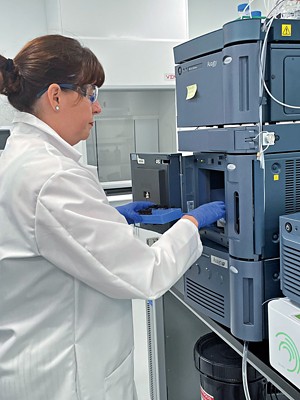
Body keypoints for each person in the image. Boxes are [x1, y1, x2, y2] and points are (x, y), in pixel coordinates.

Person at [0, 35, 225, 400]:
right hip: (65, 376)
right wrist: (193, 222)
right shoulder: (53, 177)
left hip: (34, 356)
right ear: (56, 96)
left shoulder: (22, 158)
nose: (98, 107)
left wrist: (113, 217)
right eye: (89, 92)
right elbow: (147, 273)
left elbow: (50, 237)